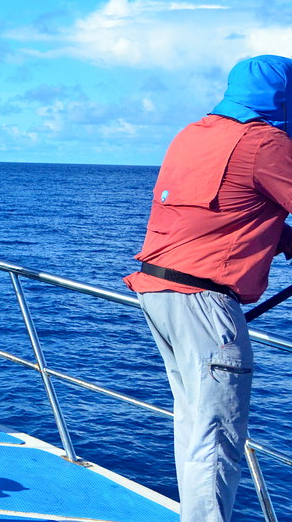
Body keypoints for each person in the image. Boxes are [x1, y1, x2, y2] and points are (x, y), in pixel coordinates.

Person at [124, 54, 292, 522]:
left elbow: (219, 211)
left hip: (159, 293)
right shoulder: (267, 142)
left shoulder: (194, 135)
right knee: (217, 437)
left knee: (196, 426)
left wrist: (278, 236)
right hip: (206, 304)